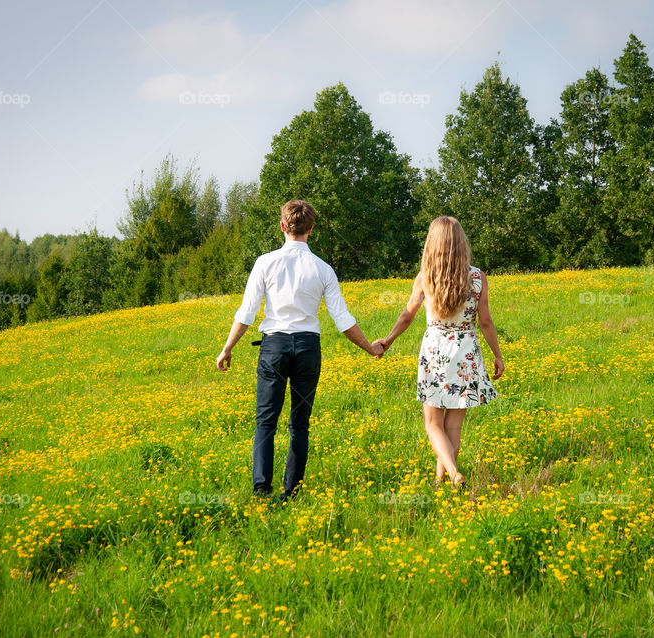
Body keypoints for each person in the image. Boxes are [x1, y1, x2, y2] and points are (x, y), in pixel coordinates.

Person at [216, 200, 383, 501]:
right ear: (311, 229)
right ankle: (291, 492)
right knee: (299, 423)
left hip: (274, 348)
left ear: (282, 226)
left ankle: (261, 489)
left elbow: (247, 312)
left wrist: (228, 348)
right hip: (308, 348)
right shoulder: (323, 269)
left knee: (266, 420)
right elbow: (342, 319)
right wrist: (369, 348)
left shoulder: (265, 263)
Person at [375, 216, 504, 489]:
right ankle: (440, 480)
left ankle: (453, 473)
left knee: (433, 425)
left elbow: (407, 316)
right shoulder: (478, 277)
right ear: (461, 243)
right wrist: (497, 354)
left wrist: (388, 340)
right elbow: (485, 321)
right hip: (466, 353)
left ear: (431, 243)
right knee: (453, 427)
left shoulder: (425, 277)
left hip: (435, 353)